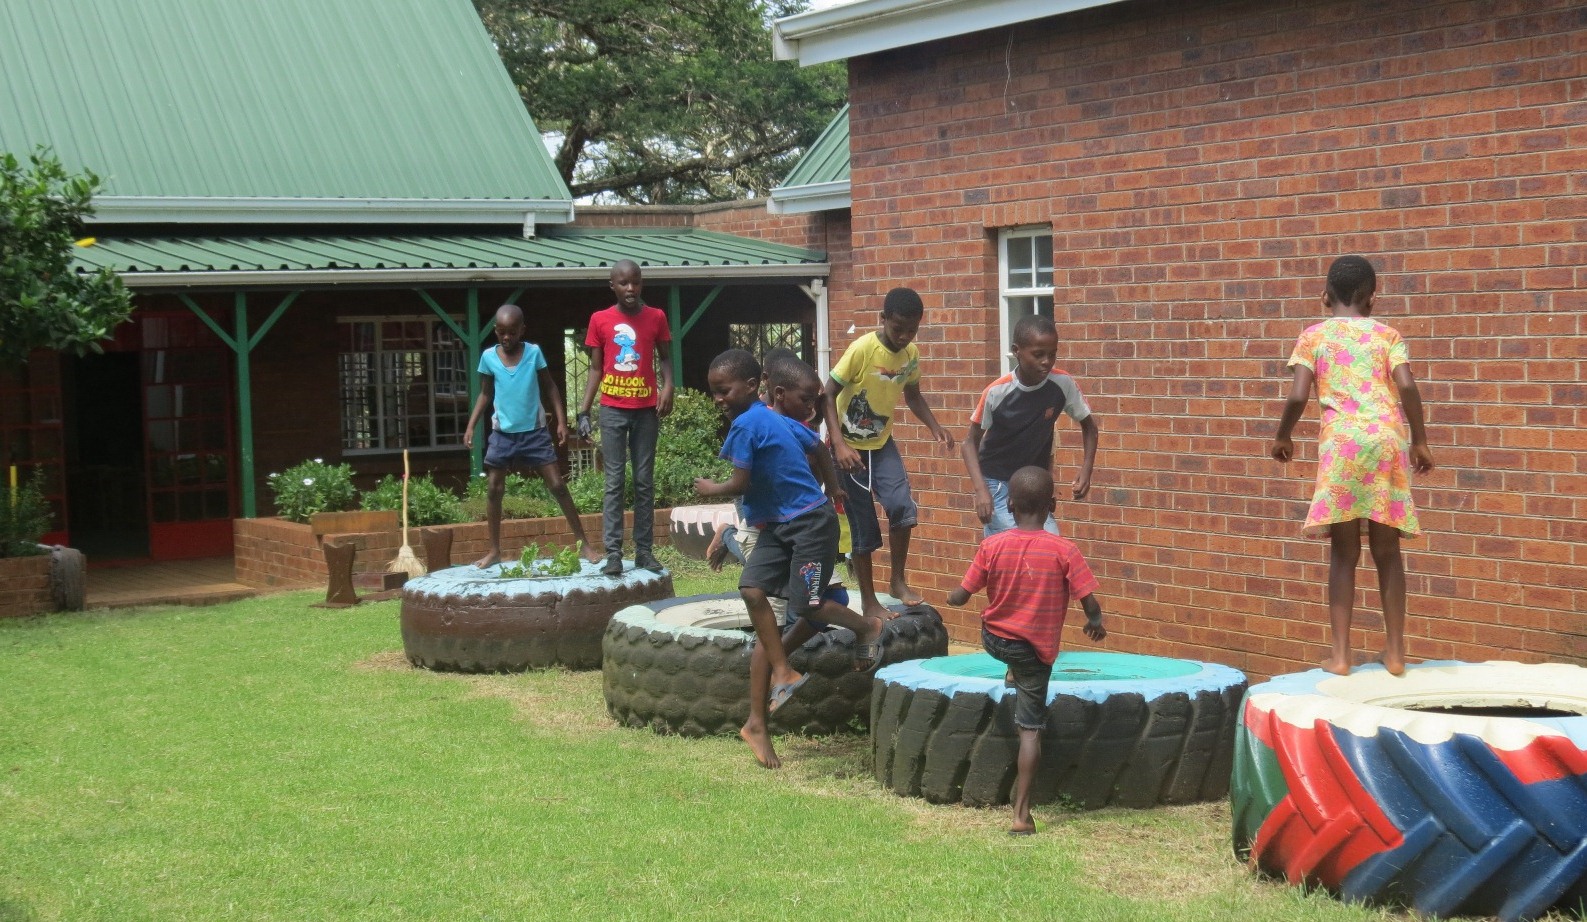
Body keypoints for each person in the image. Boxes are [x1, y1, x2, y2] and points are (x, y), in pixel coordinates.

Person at [697, 349, 885, 769]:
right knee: (753, 591)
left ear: (756, 388)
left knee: (806, 607)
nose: (814, 410)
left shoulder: (758, 422)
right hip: (771, 528)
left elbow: (745, 479)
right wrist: (832, 487)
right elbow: (816, 451)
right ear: (776, 393)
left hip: (803, 526)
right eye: (809, 402)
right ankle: (773, 692)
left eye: (723, 391)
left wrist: (711, 489)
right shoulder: (772, 421)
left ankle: (863, 627)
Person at [1271, 255, 1434, 677]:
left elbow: (1297, 396)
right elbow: (1408, 387)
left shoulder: (1313, 337)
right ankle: (1395, 653)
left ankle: (1341, 657)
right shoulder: (1387, 336)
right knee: (1388, 550)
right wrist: (1420, 440)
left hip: (1343, 445)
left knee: (1344, 553)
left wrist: (1283, 434)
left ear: (1326, 296)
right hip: (1385, 442)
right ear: (1371, 298)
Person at [946, 466, 1106, 836]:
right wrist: (1095, 623)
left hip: (996, 640)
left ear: (1010, 505)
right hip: (1035, 651)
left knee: (1010, 648)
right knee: (1030, 730)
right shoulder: (1065, 550)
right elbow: (1089, 601)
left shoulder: (992, 545)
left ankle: (1011, 667)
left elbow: (962, 594)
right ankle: (1020, 814)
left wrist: (952, 599)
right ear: (1052, 505)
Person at [822, 286, 954, 625]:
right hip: (848, 448)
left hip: (881, 444)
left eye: (912, 330)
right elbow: (827, 393)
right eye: (898, 329)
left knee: (901, 507)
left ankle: (896, 580)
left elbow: (913, 395)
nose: (904, 336)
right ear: (883, 319)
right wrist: (838, 443)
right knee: (863, 525)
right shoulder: (863, 349)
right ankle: (868, 602)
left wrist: (935, 426)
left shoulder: (911, 355)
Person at [464, 304, 603, 569]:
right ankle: (494, 550)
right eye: (502, 333)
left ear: (522, 331)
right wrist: (471, 425)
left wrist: (561, 421)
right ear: (496, 331)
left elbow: (549, 386)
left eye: (513, 332)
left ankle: (584, 544)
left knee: (558, 486)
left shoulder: (533, 353)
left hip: (535, 433)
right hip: (502, 434)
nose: (507, 338)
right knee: (494, 489)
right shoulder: (488, 357)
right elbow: (485, 394)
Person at [960, 314, 1099, 538]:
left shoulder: (1062, 384)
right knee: (1015, 546)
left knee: (1049, 543)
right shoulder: (997, 392)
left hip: (1034, 484)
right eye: (1038, 354)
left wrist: (1086, 470)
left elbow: (1089, 427)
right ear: (1017, 351)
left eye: (1052, 354)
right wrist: (981, 490)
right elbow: (969, 444)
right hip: (997, 482)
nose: (1046, 361)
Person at [577, 259, 674, 576]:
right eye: (623, 283)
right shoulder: (599, 320)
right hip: (613, 410)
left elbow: (665, 359)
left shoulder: (656, 317)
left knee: (644, 482)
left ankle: (644, 552)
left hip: (646, 410)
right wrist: (583, 409)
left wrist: (668, 387)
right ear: (613, 286)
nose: (630, 288)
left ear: (641, 283)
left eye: (635, 282)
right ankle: (615, 554)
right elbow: (595, 369)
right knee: (614, 482)